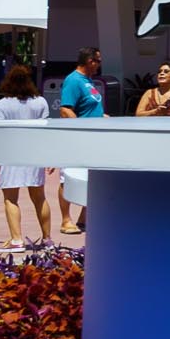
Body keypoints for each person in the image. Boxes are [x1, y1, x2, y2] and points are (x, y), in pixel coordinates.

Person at [0, 64, 54, 248]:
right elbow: (46, 130)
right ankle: (47, 238)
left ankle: (16, 239)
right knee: (39, 197)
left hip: (11, 153)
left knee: (10, 198)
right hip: (34, 153)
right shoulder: (40, 102)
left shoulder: (2, 104)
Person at [57, 46, 106, 233]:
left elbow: (90, 109)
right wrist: (81, 127)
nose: (100, 64)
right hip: (77, 139)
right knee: (68, 178)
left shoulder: (88, 81)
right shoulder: (73, 80)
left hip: (93, 139)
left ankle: (84, 217)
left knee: (92, 176)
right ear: (90, 61)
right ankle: (65, 220)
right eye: (98, 61)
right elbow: (65, 109)